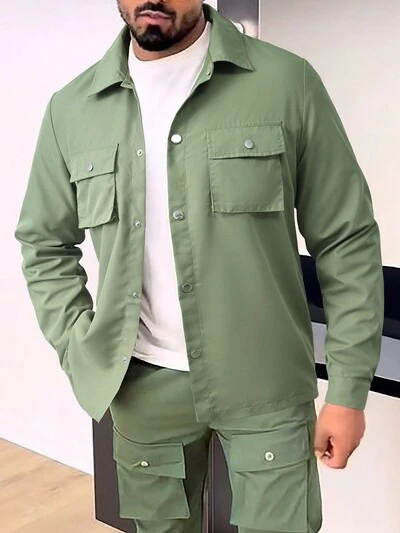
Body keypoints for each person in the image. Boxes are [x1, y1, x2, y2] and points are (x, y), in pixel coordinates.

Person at [14, 1, 384, 532]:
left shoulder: (286, 82)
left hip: (267, 383)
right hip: (141, 385)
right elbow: (43, 243)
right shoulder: (72, 109)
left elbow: (347, 240)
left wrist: (348, 389)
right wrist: (78, 346)